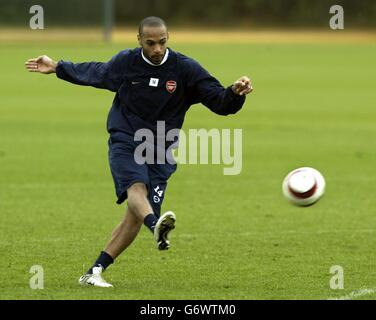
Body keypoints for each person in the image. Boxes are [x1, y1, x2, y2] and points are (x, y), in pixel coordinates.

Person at [25, 16, 253, 288]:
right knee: (136, 190)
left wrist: (235, 94)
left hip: (162, 148)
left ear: (169, 38)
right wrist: (58, 67)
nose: (157, 49)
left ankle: (94, 271)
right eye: (150, 43)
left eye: (162, 42)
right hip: (126, 137)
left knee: (135, 217)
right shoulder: (127, 63)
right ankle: (155, 224)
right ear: (139, 41)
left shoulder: (184, 68)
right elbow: (96, 72)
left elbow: (218, 100)